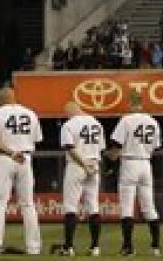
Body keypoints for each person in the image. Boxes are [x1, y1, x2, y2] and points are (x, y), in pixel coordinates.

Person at [0, 85, 42, 256]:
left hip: (5, 158)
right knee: (28, 204)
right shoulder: (30, 113)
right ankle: (34, 247)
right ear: (14, 97)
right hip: (25, 158)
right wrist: (21, 152)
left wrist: (11, 152)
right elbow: (37, 140)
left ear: (0, 99)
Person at [108, 91, 162, 256]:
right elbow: (155, 147)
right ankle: (155, 247)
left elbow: (117, 144)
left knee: (126, 208)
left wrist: (111, 157)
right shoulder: (153, 121)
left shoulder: (126, 119)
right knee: (149, 207)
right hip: (146, 163)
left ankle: (128, 247)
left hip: (130, 163)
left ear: (130, 103)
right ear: (142, 103)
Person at [57, 101, 105, 256]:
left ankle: (69, 247)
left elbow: (70, 149)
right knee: (93, 206)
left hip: (77, 165)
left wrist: (83, 164)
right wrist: (91, 165)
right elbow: (101, 148)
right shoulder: (97, 123)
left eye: (67, 113)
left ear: (70, 111)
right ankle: (95, 247)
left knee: (71, 207)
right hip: (94, 165)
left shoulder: (69, 124)